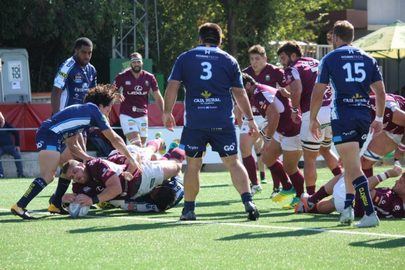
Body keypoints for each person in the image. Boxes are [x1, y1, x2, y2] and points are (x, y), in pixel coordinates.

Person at [162, 22, 260, 221]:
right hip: (222, 120)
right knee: (233, 162)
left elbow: (173, 86)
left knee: (193, 165)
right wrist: (250, 119)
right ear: (220, 39)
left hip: (196, 122)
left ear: (200, 39)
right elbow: (240, 93)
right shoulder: (229, 60)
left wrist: (166, 112)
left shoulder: (185, 58)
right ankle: (248, 201)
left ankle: (188, 210)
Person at [10, 85, 140, 219]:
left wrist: (87, 158)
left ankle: (55, 204)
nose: (109, 112)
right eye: (109, 108)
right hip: (50, 135)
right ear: (101, 105)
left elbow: (72, 146)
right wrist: (131, 158)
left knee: (69, 166)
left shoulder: (82, 112)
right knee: (48, 176)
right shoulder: (94, 111)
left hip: (49, 134)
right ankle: (20, 205)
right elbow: (115, 138)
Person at [310, 20, 386, 227]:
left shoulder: (330, 58)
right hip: (364, 116)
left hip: (343, 115)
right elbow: (380, 91)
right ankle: (349, 209)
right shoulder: (368, 58)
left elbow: (318, 91)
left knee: (352, 167)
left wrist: (312, 118)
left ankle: (370, 214)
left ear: (335, 37)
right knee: (350, 165)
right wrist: (379, 118)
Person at [277, 41, 342, 196]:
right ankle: (344, 181)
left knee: (309, 158)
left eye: (283, 57)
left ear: (293, 55)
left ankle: (311, 198)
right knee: (325, 149)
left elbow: (297, 88)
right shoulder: (317, 61)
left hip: (313, 113)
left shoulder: (292, 68)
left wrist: (294, 109)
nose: (281, 62)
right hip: (332, 110)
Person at [242, 73, 304, 209]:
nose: (239, 93)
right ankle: (287, 186)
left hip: (292, 130)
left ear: (247, 85)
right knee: (267, 158)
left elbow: (274, 115)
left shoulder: (259, 94)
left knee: (290, 167)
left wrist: (268, 137)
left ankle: (301, 197)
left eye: (240, 89)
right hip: (282, 128)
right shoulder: (258, 91)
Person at [239, 44, 287, 193]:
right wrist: (239, 114)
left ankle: (277, 186)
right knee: (244, 147)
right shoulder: (245, 73)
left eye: (257, 58)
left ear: (265, 58)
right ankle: (255, 184)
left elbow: (286, 90)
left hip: (269, 116)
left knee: (269, 151)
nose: (254, 62)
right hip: (251, 116)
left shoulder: (275, 71)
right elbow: (239, 97)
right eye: (252, 59)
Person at [62, 155, 182, 213]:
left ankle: (169, 151)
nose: (76, 177)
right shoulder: (78, 186)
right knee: (158, 206)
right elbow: (76, 202)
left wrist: (92, 200)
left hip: (143, 177)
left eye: (75, 171)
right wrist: (65, 199)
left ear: (82, 165)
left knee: (176, 167)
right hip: (131, 197)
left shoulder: (97, 165)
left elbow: (116, 189)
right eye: (72, 177)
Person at [296, 165, 404, 220]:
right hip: (349, 205)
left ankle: (311, 200)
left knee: (349, 173)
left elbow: (364, 188)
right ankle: (307, 207)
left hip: (351, 204)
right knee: (334, 202)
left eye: (401, 182)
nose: (396, 181)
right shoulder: (395, 197)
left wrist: (387, 174)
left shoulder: (390, 200)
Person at [114, 52, 164, 146]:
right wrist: (116, 95)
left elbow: (157, 96)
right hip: (127, 114)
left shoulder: (149, 77)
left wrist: (165, 113)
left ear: (142, 63)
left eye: (138, 61)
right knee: (137, 144)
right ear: (130, 63)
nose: (136, 64)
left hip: (142, 115)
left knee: (141, 147)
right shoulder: (122, 76)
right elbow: (111, 92)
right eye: (134, 62)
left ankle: (130, 159)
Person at [362, 93, 405, 177]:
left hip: (399, 122)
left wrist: (401, 148)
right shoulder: (349, 114)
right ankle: (367, 190)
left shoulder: (383, 107)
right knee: (365, 163)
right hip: (393, 128)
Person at [51, 37, 97, 114]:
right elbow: (56, 92)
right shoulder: (66, 68)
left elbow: (93, 95)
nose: (87, 56)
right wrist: (56, 117)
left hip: (82, 117)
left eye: (89, 53)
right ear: (76, 50)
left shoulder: (92, 70)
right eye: (84, 52)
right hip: (65, 116)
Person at [0, 112, 24, 178]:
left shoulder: (6, 124)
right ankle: (1, 174)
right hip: (0, 148)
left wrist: (17, 145)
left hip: (10, 146)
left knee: (18, 156)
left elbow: (16, 132)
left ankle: (20, 174)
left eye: (1, 120)